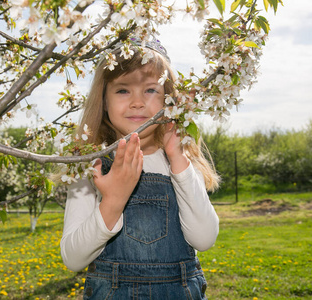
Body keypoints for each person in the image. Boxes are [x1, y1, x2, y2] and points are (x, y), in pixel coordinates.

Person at [60, 36, 220, 299]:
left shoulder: (178, 162)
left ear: (169, 100)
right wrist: (113, 200)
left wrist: (178, 158)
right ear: (104, 101)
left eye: (150, 90)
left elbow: (204, 239)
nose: (137, 102)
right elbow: (73, 258)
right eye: (123, 90)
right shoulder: (91, 164)